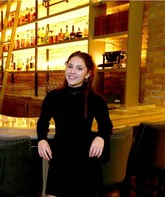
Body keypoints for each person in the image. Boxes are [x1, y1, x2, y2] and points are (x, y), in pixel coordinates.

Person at [37, 51, 113, 197]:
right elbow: (42, 122)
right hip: (60, 158)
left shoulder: (96, 100)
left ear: (88, 74)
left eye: (79, 68)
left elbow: (106, 125)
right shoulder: (53, 96)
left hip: (86, 159)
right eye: (70, 66)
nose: (72, 72)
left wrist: (101, 137)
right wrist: (42, 139)